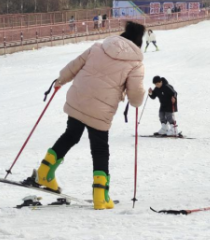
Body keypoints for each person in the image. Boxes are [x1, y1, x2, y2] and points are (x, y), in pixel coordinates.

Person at [33, 21, 146, 210]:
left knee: (71, 135)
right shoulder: (136, 64)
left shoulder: (98, 48)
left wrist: (60, 80)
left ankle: (44, 172)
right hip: (100, 111)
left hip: (78, 99)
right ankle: (100, 196)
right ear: (138, 44)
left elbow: (74, 66)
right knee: (100, 149)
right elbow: (135, 97)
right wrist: (137, 100)